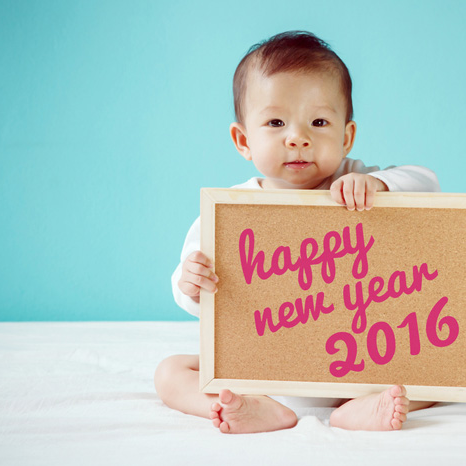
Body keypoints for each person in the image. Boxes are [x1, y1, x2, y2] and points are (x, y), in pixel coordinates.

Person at [155, 31, 440, 434]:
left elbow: (428, 182)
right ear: (243, 140)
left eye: (319, 122)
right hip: (259, 372)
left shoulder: (355, 184)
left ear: (345, 137)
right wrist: (189, 281)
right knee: (169, 372)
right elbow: (194, 291)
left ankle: (357, 409)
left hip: (355, 367)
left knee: (443, 371)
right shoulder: (230, 212)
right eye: (275, 122)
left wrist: (381, 186)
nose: (298, 137)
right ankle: (239, 408)